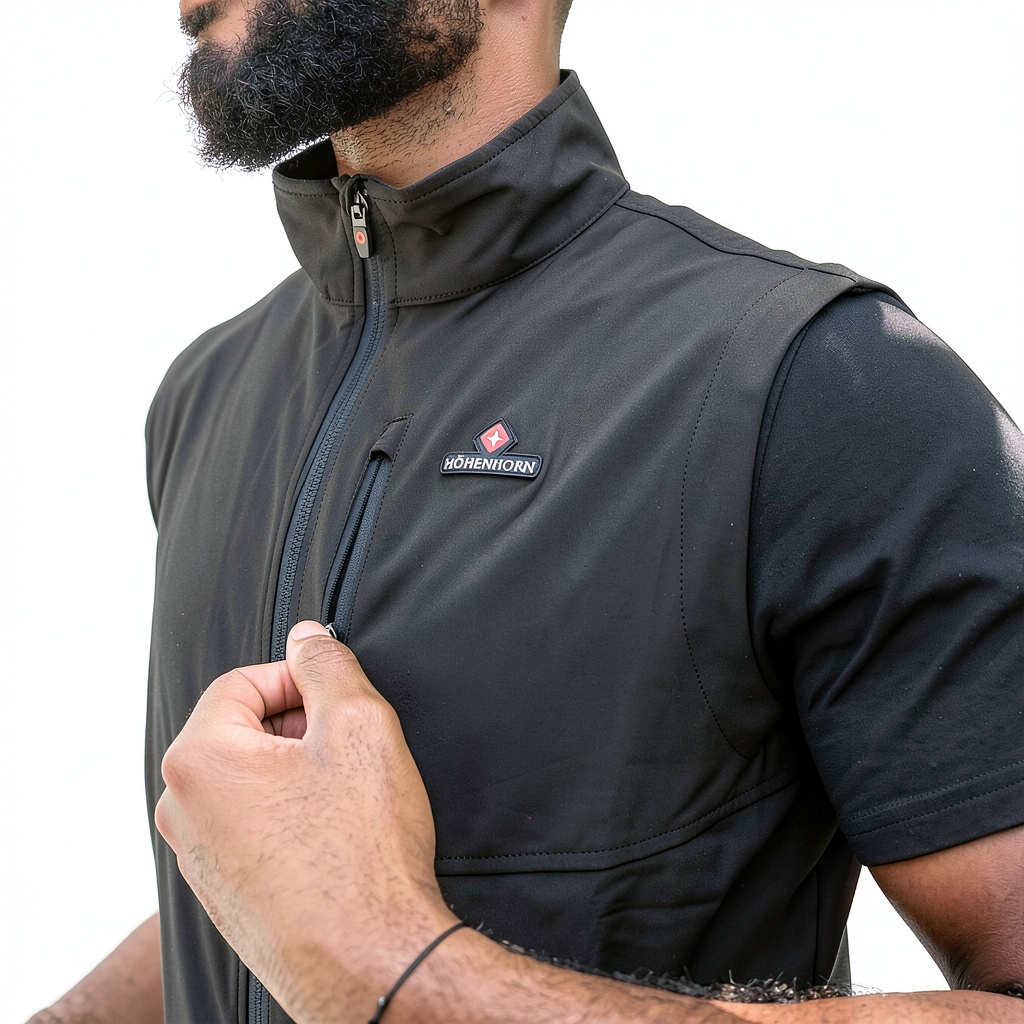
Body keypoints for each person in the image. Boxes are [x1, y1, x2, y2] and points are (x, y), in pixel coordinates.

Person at [28, 0, 1024, 1021]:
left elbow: (334, 930)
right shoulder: (206, 394)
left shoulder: (815, 381)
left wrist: (388, 970)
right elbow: (270, 884)